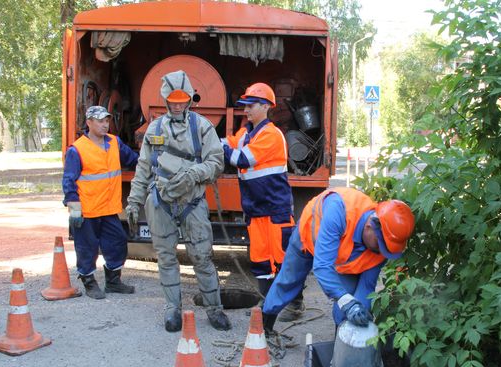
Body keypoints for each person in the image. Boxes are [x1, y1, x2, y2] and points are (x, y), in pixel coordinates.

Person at [125, 70, 229, 332]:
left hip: (192, 203)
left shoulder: (202, 127)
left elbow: (216, 163)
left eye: (183, 99)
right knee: (166, 258)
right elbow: (143, 167)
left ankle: (214, 309)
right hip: (161, 202)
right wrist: (134, 202)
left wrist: (194, 173)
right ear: (166, 100)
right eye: (174, 100)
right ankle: (172, 309)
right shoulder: (155, 129)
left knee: (202, 257)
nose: (179, 104)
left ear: (190, 100)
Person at [261, 187, 415, 334]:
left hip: (341, 258)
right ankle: (264, 326)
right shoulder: (339, 210)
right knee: (288, 281)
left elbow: (367, 287)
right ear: (370, 226)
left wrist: (360, 313)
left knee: (349, 299)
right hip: (306, 240)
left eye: (386, 249)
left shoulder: (383, 245)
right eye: (380, 245)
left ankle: (341, 345)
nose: (382, 252)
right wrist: (346, 301)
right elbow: (322, 266)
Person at [221, 82, 304, 320]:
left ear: (266, 107)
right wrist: (213, 141)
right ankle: (267, 308)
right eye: (245, 105)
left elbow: (242, 159)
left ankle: (295, 306)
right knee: (261, 262)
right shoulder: (247, 133)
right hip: (257, 210)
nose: (246, 109)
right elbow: (229, 143)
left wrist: (224, 149)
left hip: (275, 210)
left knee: (283, 260)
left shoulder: (271, 135)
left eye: (251, 104)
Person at [62, 105, 139, 299]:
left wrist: (152, 162)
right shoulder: (77, 149)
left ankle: (113, 282)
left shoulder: (114, 142)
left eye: (107, 121)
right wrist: (73, 206)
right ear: (89, 123)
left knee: (118, 242)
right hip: (87, 210)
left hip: (108, 208)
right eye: (100, 121)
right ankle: (89, 282)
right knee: (86, 247)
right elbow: (68, 180)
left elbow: (133, 159)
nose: (105, 125)